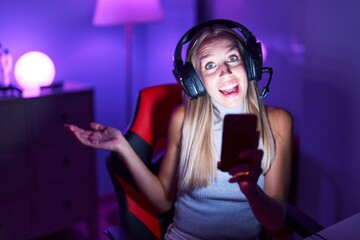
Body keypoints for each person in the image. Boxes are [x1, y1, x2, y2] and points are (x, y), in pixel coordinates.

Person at [65, 19, 293, 240]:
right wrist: (121, 146)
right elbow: (163, 200)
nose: (225, 71)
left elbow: (274, 222)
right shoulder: (183, 119)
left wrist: (252, 192)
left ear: (251, 65)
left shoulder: (277, 122)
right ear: (195, 82)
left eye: (233, 58)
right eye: (210, 65)